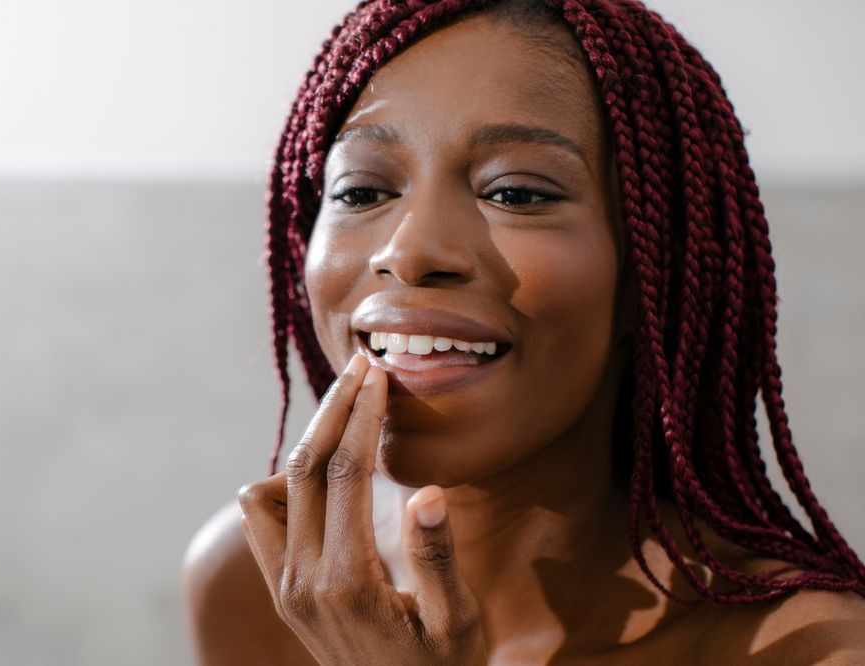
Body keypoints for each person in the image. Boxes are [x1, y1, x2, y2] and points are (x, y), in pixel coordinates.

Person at [182, 0, 865, 663]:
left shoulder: (814, 650)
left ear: (649, 278)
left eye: (515, 193)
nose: (410, 251)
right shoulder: (257, 584)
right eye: (362, 191)